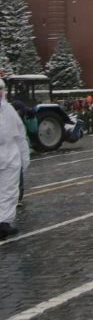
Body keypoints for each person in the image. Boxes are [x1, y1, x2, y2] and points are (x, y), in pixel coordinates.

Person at [0, 79, 30, 240]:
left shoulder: (9, 110)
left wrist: (24, 157)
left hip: (10, 157)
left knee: (9, 191)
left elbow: (20, 135)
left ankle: (4, 222)